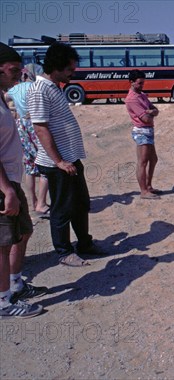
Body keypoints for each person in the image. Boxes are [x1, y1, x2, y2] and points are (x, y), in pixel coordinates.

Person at [28, 42, 102, 267]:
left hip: (69, 159)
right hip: (57, 163)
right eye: (70, 69)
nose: (73, 73)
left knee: (80, 204)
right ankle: (64, 252)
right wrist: (58, 161)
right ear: (56, 67)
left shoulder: (54, 87)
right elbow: (40, 127)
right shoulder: (39, 89)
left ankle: (85, 244)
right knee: (62, 208)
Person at [0, 42, 46, 318]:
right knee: (3, 245)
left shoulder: (2, 97)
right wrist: (7, 189)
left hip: (12, 181)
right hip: (4, 186)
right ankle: (4, 302)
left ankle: (16, 284)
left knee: (24, 231)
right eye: (14, 70)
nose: (19, 75)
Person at [5, 63, 50, 216]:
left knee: (29, 166)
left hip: (21, 125)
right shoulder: (35, 87)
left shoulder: (14, 89)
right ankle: (42, 204)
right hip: (35, 124)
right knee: (46, 163)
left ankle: (33, 202)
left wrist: (13, 110)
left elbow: (5, 98)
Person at [125, 69, 160, 200]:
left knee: (153, 159)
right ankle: (143, 191)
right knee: (143, 161)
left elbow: (155, 110)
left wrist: (150, 112)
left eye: (143, 83)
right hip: (141, 131)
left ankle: (148, 186)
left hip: (148, 131)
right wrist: (151, 112)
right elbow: (146, 118)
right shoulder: (132, 99)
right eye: (139, 83)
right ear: (132, 82)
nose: (141, 85)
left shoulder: (142, 95)